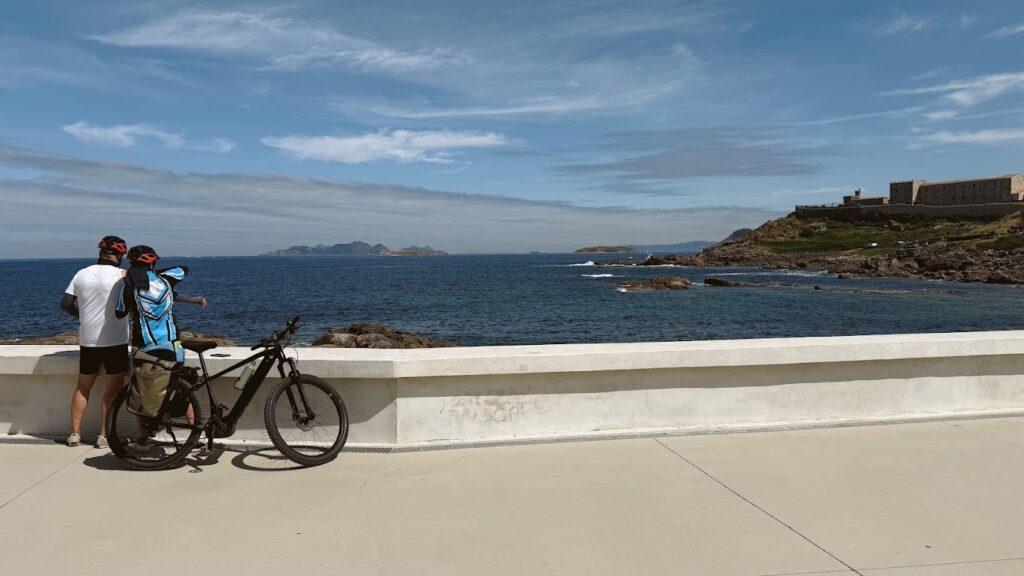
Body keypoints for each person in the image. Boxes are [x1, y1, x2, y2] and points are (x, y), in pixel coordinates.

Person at [60, 235, 130, 448]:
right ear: (120, 255)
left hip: (88, 340)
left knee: (82, 388)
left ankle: (74, 434)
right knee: (113, 391)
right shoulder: (123, 275)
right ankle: (103, 436)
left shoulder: (81, 274)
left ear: (101, 253)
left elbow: (65, 304)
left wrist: (81, 316)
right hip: (115, 341)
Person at [115, 245, 207, 364]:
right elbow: (184, 269)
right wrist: (154, 274)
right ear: (152, 263)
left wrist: (136, 277)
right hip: (171, 344)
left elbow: (119, 313)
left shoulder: (127, 287)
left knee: (141, 381)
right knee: (173, 379)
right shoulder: (167, 281)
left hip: (142, 347)